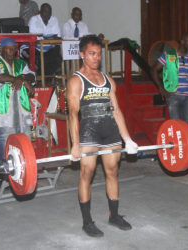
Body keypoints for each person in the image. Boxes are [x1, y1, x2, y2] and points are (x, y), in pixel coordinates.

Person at [67, 35, 138, 237]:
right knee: (86, 173)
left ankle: (114, 216)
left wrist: (128, 139)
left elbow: (116, 111)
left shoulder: (108, 80)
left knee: (113, 170)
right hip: (89, 132)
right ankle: (87, 221)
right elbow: (73, 115)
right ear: (82, 55)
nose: (96, 57)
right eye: (91, 54)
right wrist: (75, 145)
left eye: (98, 53)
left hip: (109, 131)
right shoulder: (76, 81)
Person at [0, 37, 35, 164]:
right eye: (8, 49)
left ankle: (23, 177)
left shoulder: (21, 63)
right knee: (5, 147)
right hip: (4, 115)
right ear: (1, 49)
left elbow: (32, 76)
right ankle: (4, 176)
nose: (11, 52)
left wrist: (23, 77)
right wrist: (19, 80)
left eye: (13, 49)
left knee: (26, 147)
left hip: (23, 113)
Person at [20, 3, 62, 76]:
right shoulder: (34, 19)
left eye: (49, 12)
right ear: (40, 11)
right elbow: (33, 36)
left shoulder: (54, 20)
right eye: (45, 12)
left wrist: (43, 36)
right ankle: (35, 71)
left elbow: (57, 36)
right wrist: (48, 36)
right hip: (36, 47)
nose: (47, 14)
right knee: (27, 52)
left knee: (57, 52)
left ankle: (48, 76)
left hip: (49, 48)